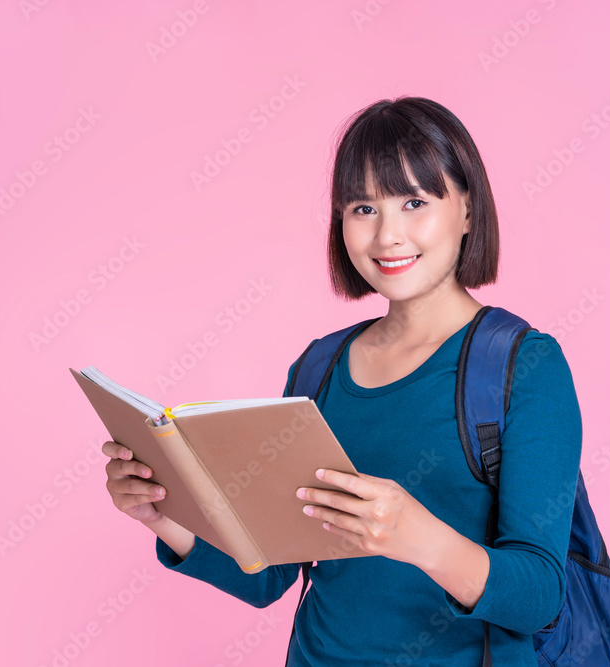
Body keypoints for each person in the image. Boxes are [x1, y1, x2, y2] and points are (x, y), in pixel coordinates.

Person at [102, 96, 583, 666]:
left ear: (469, 211)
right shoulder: (319, 366)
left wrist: (419, 538)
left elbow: (539, 598)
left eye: (413, 202)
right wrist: (165, 515)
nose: (388, 236)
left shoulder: (524, 366)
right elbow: (269, 573)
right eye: (363, 208)